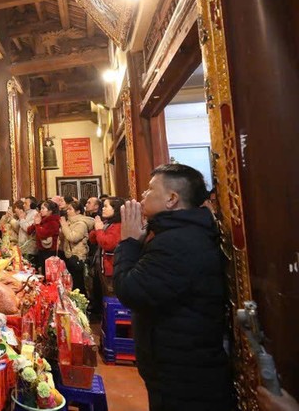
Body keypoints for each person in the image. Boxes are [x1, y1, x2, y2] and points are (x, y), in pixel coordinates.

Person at [114, 164, 233, 411]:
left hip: (184, 372)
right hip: (174, 362)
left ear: (171, 199)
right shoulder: (175, 232)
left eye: (150, 189)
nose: (143, 196)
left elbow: (130, 290)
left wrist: (127, 242)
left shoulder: (179, 242)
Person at [60, 200, 94, 293]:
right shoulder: (70, 222)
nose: (67, 211)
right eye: (67, 209)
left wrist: (64, 226)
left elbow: (72, 237)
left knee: (78, 284)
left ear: (78, 211)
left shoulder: (81, 224)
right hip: (69, 255)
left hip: (77, 256)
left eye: (70, 209)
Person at [91, 197, 123, 295]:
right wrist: (97, 228)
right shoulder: (108, 223)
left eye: (106, 206)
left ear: (115, 209)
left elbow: (108, 244)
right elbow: (92, 239)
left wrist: (99, 230)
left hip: (112, 268)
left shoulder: (118, 225)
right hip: (103, 266)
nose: (103, 209)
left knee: (112, 296)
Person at [30, 200, 60, 270]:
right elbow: (29, 231)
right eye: (41, 208)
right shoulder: (42, 220)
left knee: (48, 273)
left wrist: (37, 224)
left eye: (43, 208)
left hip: (49, 251)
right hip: (41, 250)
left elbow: (42, 234)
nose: (41, 210)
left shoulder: (53, 222)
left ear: (50, 211)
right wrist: (35, 222)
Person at [17, 196, 39, 262]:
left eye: (25, 203)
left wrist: (22, 219)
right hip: (23, 247)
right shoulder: (26, 213)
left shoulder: (35, 214)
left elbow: (28, 229)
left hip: (30, 248)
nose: (23, 205)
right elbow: (18, 226)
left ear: (32, 205)